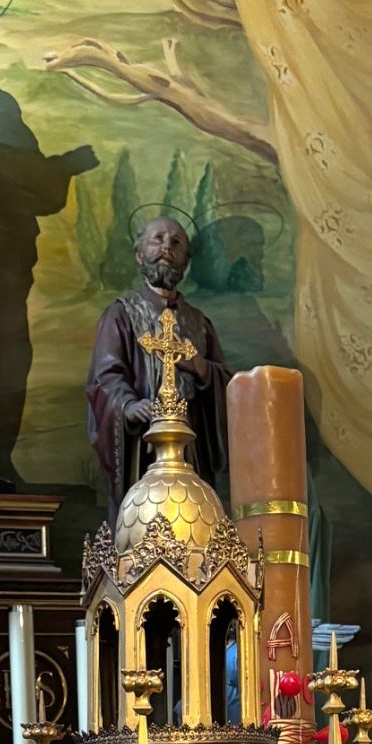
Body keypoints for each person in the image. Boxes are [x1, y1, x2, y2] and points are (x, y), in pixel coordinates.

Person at [86, 213, 230, 520]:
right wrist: (128, 405)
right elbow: (105, 377)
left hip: (191, 446)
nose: (167, 247)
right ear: (139, 255)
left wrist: (200, 367)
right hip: (144, 445)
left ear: (185, 262)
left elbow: (228, 386)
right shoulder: (121, 315)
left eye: (176, 242)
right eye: (158, 239)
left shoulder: (199, 323)